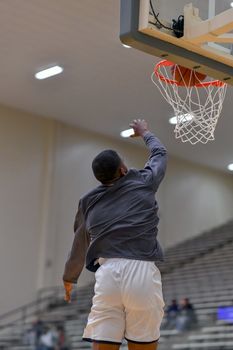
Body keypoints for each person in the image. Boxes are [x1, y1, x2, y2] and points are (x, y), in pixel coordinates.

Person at [63, 119, 167, 350]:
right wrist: (145, 132)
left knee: (103, 341)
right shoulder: (143, 181)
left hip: (107, 273)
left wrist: (70, 277)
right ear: (122, 169)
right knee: (143, 344)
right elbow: (159, 153)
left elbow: (79, 242)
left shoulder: (88, 201)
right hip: (140, 269)